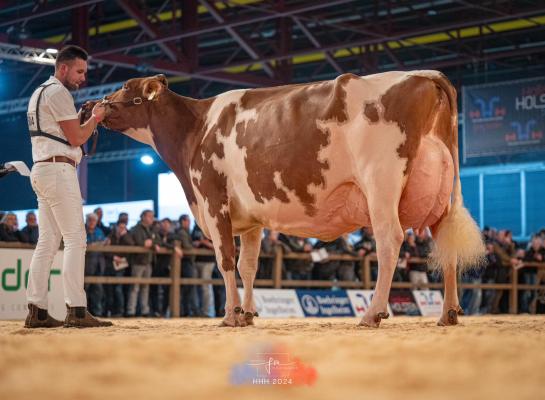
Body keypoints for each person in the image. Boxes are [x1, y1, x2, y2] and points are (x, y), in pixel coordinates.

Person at [24, 45, 111, 328]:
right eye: (79, 71)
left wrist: (83, 120)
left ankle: (36, 310)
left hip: (41, 168)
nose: (83, 77)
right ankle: (76, 309)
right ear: (63, 68)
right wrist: (95, 118)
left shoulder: (39, 92)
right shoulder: (58, 93)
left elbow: (66, 134)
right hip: (59, 170)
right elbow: (76, 139)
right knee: (76, 239)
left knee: (47, 242)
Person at [127, 209, 157, 317]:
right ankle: (131, 311)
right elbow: (137, 242)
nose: (152, 218)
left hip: (148, 261)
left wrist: (152, 244)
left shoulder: (151, 229)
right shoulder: (135, 229)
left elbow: (157, 240)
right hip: (138, 261)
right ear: (143, 217)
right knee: (135, 287)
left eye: (152, 216)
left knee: (145, 287)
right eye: (149, 216)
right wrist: (145, 243)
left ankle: (145, 310)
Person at [84, 213, 107, 316]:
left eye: (94, 220)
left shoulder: (99, 231)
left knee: (98, 290)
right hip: (86, 264)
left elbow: (103, 244)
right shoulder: (82, 231)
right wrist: (96, 244)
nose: (92, 222)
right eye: (90, 220)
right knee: (85, 289)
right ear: (87, 220)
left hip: (99, 264)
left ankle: (97, 313)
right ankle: (85, 312)